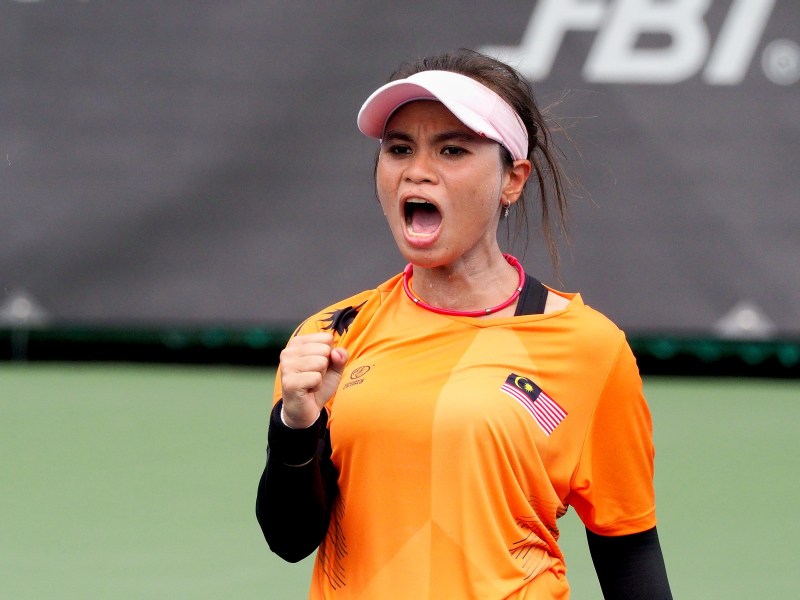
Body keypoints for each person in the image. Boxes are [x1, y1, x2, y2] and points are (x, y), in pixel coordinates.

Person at [256, 49, 672, 599]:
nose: (417, 170)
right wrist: (295, 425)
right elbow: (289, 538)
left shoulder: (590, 349)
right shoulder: (332, 335)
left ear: (512, 180)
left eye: (452, 150)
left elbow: (630, 553)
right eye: (399, 149)